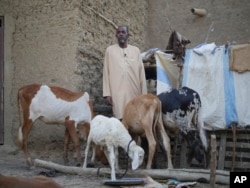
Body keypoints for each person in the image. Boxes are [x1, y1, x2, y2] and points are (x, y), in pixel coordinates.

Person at [103, 25, 147, 120]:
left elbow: (141, 73)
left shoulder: (136, 51)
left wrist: (144, 94)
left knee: (135, 117)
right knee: (120, 117)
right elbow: (106, 73)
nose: (121, 34)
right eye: (118, 33)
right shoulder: (110, 51)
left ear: (128, 35)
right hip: (117, 93)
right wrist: (107, 94)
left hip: (134, 92)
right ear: (116, 35)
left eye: (123, 32)